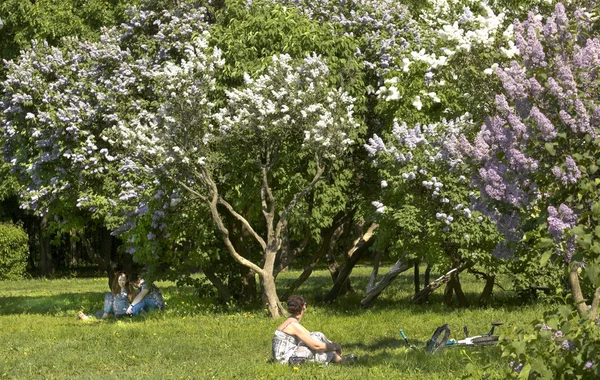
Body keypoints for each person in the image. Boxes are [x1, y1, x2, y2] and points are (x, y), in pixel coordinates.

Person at [272, 295, 356, 365]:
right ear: (304, 306)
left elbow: (310, 335)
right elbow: (316, 345)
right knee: (315, 348)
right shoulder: (293, 325)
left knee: (317, 335)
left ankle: (336, 357)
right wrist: (335, 347)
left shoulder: (291, 321)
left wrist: (332, 344)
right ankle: (338, 359)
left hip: (287, 355)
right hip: (284, 359)